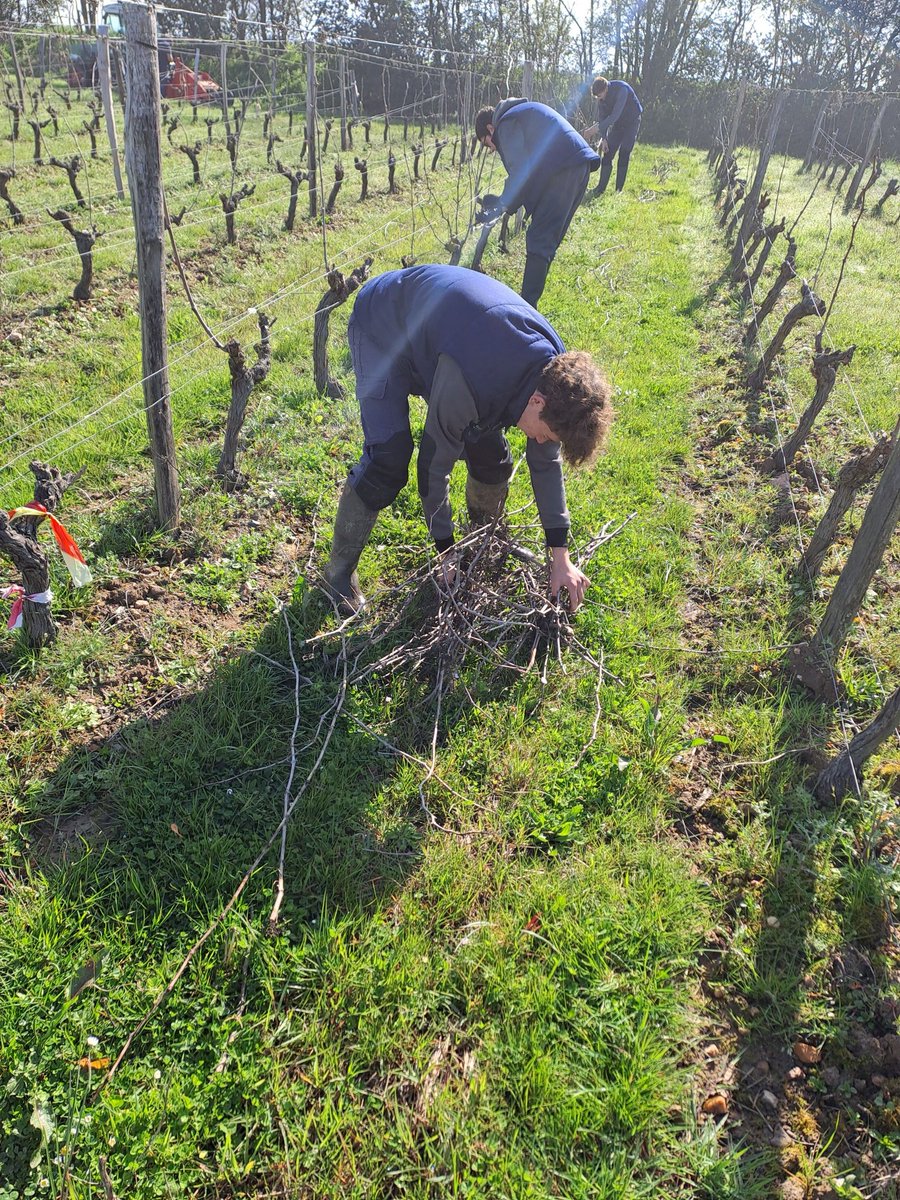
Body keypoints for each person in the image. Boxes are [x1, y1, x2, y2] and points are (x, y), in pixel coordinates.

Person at [323, 264, 613, 616]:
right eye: (547, 435)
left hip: (446, 339)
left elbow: (545, 461)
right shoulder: (473, 379)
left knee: (491, 457)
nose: (542, 440)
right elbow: (433, 467)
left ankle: (482, 540)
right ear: (537, 403)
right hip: (383, 326)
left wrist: (560, 556)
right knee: (389, 457)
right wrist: (445, 551)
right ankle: (336, 576)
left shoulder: (554, 377)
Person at [474, 100, 601, 307]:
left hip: (564, 170)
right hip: (577, 167)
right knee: (546, 241)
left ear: (490, 128)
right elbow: (530, 173)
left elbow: (522, 171)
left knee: (540, 240)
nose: (491, 149)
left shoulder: (505, 123)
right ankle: (530, 306)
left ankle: (526, 311)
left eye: (487, 143)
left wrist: (502, 204)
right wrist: (504, 203)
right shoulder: (521, 113)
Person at [583, 76, 643, 196]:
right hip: (618, 124)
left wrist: (593, 130)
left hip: (632, 122)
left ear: (605, 89)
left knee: (624, 152)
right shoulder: (601, 100)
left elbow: (614, 115)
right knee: (608, 153)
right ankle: (600, 189)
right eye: (597, 97)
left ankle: (618, 191)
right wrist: (604, 138)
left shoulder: (622, 90)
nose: (599, 99)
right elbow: (602, 118)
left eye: (600, 96)